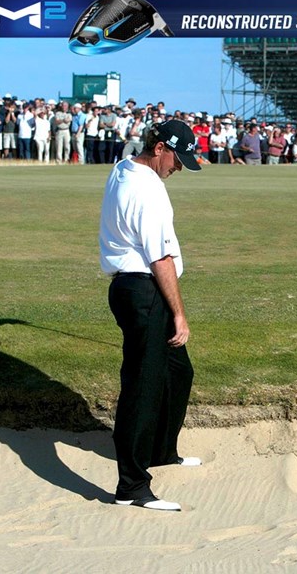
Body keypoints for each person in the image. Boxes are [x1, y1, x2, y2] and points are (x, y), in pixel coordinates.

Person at [98, 119, 202, 512]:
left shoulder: (124, 167)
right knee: (142, 386)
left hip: (135, 290)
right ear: (159, 148)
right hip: (144, 292)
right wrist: (179, 314)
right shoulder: (147, 189)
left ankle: (161, 451)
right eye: (178, 158)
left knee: (178, 371)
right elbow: (160, 259)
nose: (180, 167)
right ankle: (132, 487)